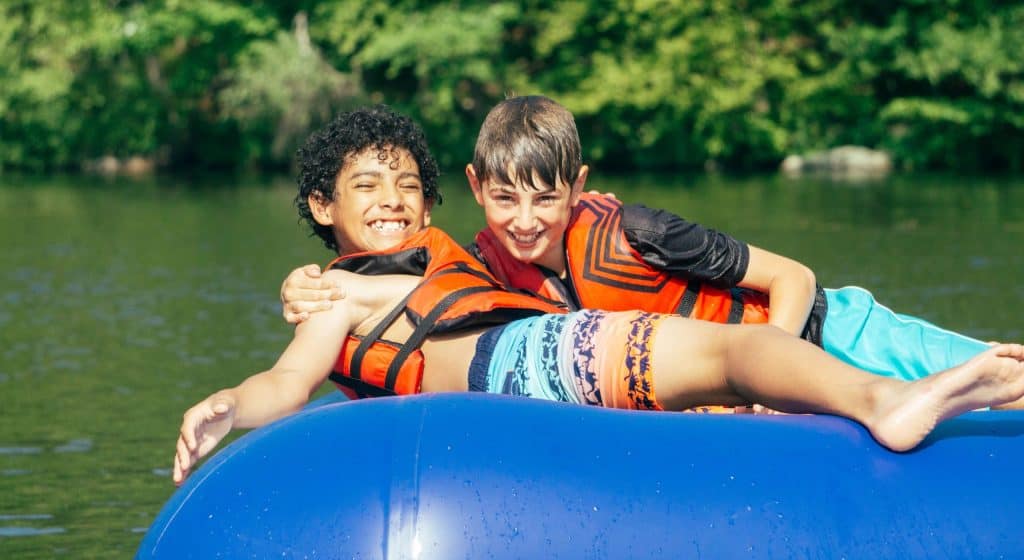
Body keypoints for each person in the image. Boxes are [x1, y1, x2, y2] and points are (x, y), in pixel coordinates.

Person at [173, 106, 1024, 485]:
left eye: (406, 186)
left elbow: (787, 281)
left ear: (434, 205)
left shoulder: (446, 265)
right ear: (324, 208)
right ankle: (888, 407)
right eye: (368, 186)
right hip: (542, 367)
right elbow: (287, 382)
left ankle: (887, 400)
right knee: (732, 359)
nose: (392, 199)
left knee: (738, 356)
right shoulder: (344, 294)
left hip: (837, 327)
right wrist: (231, 403)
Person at [282, 95, 1004, 386]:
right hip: (747, 376)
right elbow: (413, 288)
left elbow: (796, 278)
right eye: (504, 200)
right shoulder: (482, 267)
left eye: (545, 198)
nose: (525, 220)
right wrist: (312, 284)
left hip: (836, 331)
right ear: (477, 189)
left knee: (1003, 381)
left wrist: (768, 384)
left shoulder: (639, 232)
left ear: (578, 185)